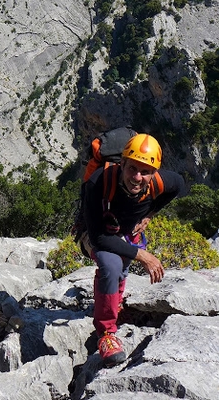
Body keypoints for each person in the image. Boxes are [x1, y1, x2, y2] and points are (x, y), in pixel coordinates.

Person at [81, 133, 185, 367]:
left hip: (127, 231)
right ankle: (106, 333)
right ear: (122, 164)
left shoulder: (160, 182)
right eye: (132, 169)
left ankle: (115, 303)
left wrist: (151, 212)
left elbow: (179, 184)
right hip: (95, 232)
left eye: (145, 172)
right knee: (111, 264)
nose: (137, 177)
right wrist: (143, 256)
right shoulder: (98, 182)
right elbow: (98, 239)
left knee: (122, 265)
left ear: (154, 172)